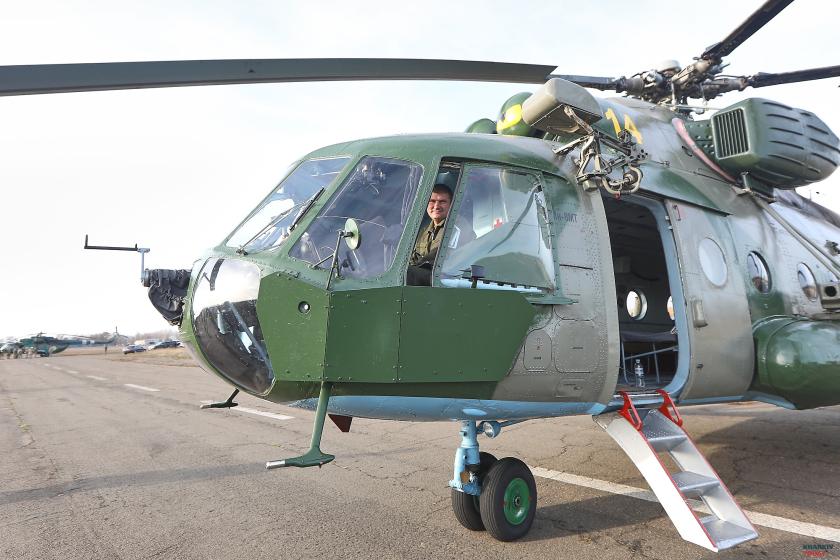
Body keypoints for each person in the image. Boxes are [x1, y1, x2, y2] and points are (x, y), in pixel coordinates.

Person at [407, 184, 452, 286]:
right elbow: (413, 257)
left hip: (444, 278)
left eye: (442, 202)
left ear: (451, 205)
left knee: (408, 274)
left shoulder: (456, 227)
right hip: (427, 277)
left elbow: (444, 256)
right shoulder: (425, 231)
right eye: (432, 201)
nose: (436, 206)